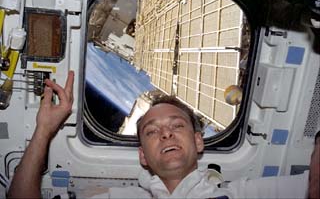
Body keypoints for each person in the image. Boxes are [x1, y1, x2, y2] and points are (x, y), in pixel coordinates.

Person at [7, 72, 319, 198]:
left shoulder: (244, 194)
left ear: (199, 141)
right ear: (143, 155)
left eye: (177, 125)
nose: (166, 134)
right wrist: (44, 130)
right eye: (152, 132)